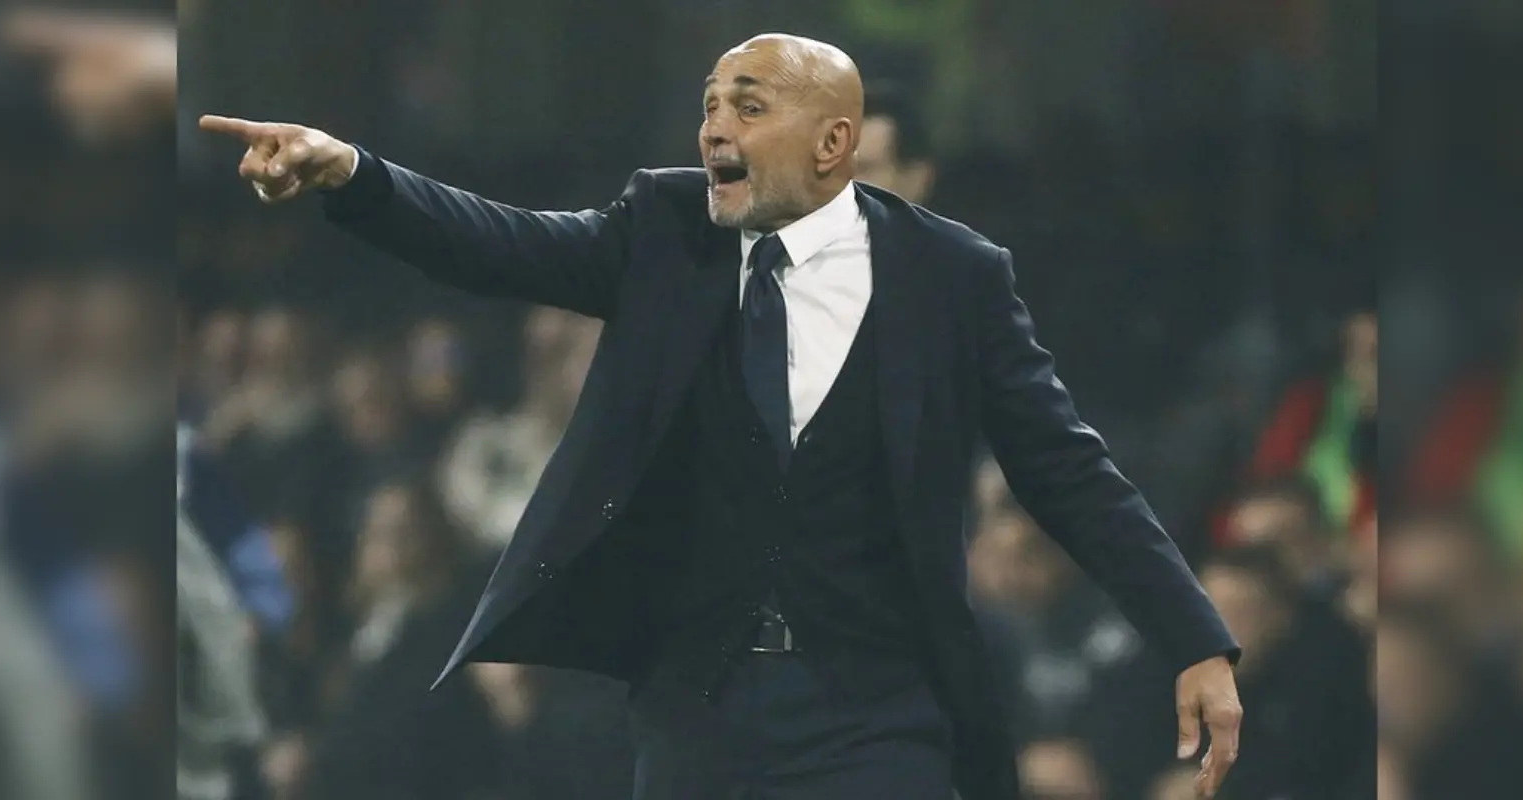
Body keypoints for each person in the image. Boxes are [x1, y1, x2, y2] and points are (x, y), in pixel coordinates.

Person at [198, 33, 1243, 800]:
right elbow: (499, 242)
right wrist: (353, 173)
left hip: (877, 706)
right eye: (707, 105)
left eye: (748, 105)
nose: (713, 128)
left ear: (834, 141)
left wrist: (1194, 637)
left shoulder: (953, 276)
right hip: (697, 704)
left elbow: (1067, 470)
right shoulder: (664, 230)